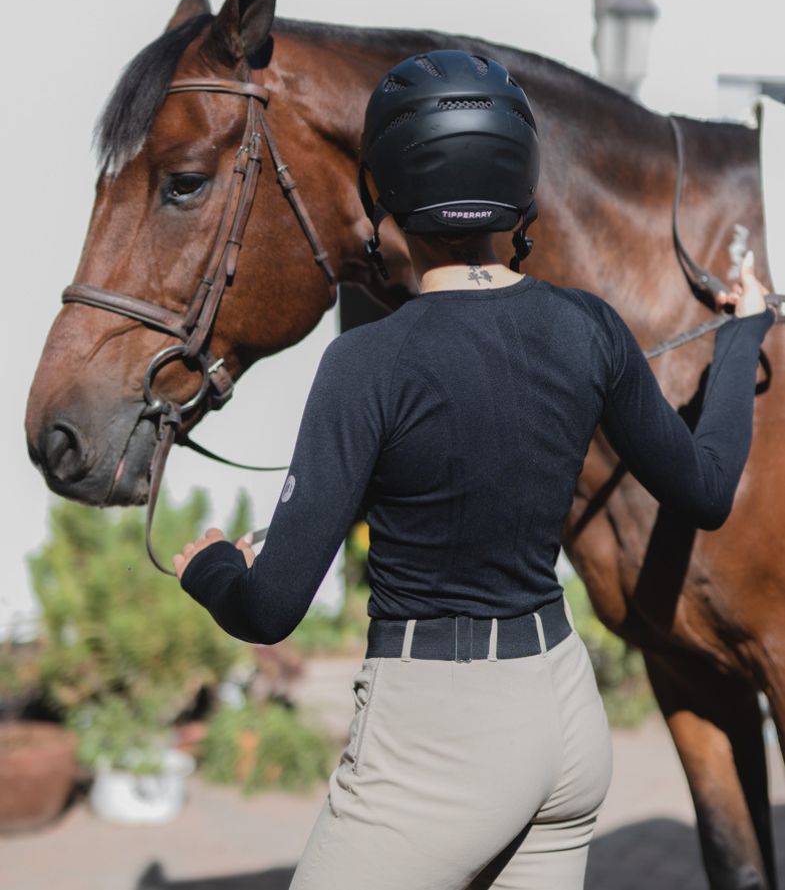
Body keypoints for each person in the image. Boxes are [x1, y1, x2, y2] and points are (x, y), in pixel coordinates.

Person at [174, 50, 774, 890]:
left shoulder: (365, 363)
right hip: (564, 717)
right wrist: (741, 336)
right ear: (518, 184)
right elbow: (707, 488)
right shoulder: (590, 328)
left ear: (383, 192)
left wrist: (209, 567)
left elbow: (268, 606)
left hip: (438, 735)